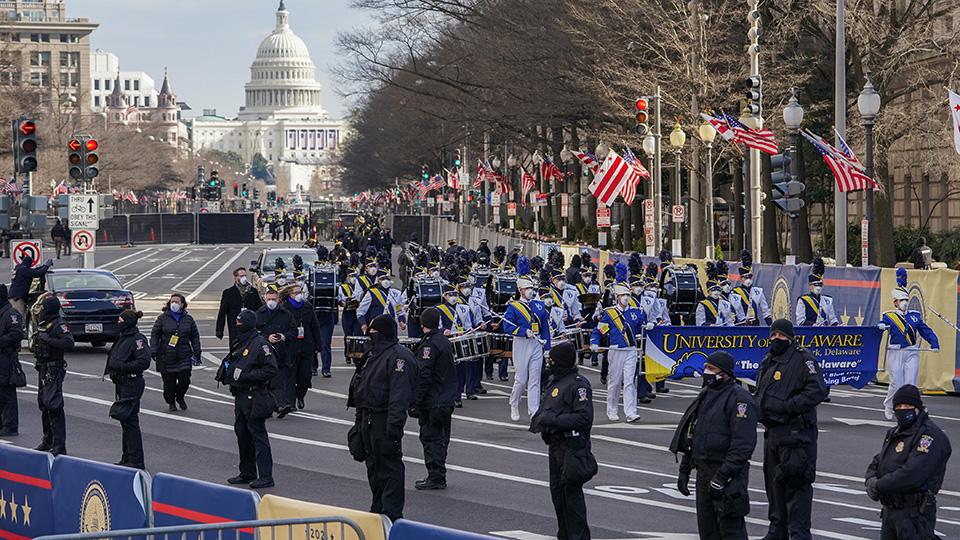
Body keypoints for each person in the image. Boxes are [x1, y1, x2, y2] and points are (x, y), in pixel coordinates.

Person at [754, 319, 828, 540]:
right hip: (773, 431)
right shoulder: (770, 359)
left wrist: (789, 406)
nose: (777, 339)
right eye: (773, 336)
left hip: (796, 433)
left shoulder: (804, 359)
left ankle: (798, 534)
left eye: (781, 336)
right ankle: (777, 530)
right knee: (773, 484)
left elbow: (817, 390)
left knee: (796, 484)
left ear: (790, 337)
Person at [671, 352, 757, 540]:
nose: (706, 372)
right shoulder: (706, 395)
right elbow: (693, 433)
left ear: (724, 373)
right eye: (706, 368)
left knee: (730, 531)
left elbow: (743, 445)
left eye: (711, 369)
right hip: (704, 472)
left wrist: (722, 476)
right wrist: (685, 469)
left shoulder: (739, 399)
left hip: (728, 477)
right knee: (708, 531)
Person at [352, 315, 418, 520]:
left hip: (383, 419)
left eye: (373, 332)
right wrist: (357, 422)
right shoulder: (372, 354)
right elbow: (360, 387)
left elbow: (399, 399)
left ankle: (391, 514)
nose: (370, 335)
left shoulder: (400, 358)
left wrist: (394, 430)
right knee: (373, 466)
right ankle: (378, 507)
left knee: (389, 468)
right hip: (367, 417)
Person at [865, 385, 952, 540]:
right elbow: (879, 461)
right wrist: (870, 480)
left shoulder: (929, 436)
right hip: (890, 510)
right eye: (898, 406)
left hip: (914, 514)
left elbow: (912, 474)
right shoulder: (894, 433)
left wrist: (878, 486)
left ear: (917, 407)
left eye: (907, 406)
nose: (903, 409)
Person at [529, 341, 594, 540]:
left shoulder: (578, 384)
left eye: (553, 361)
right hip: (555, 446)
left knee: (571, 496)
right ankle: (564, 535)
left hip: (573, 447)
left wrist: (554, 421)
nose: (550, 364)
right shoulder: (554, 382)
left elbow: (584, 418)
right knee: (558, 495)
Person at [220, 309, 278, 489]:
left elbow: (271, 369)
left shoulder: (260, 344)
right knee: (242, 434)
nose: (237, 326)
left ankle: (266, 476)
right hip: (241, 394)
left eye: (240, 323)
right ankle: (247, 472)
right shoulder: (242, 342)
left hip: (255, 395)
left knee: (258, 435)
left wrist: (246, 376)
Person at [878, 269, 939, 420]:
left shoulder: (915, 315)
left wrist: (934, 342)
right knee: (896, 383)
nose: (905, 302)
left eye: (906, 299)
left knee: (911, 384)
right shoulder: (889, 316)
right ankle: (889, 404)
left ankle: (913, 409)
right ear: (895, 302)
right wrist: (880, 325)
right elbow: (881, 323)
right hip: (896, 352)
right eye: (902, 300)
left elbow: (925, 330)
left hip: (912, 351)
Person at [411, 308, 457, 490]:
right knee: (442, 437)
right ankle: (438, 473)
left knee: (431, 438)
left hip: (434, 400)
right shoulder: (444, 341)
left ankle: (436, 476)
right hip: (446, 398)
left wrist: (415, 401)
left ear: (423, 324)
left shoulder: (429, 345)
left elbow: (424, 375)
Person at [590, 283, 649, 423]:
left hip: (631, 350)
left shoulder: (636, 312)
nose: (626, 298)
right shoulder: (610, 313)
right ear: (617, 297)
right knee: (615, 382)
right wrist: (595, 342)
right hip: (615, 350)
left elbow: (642, 326)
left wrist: (649, 326)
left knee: (629, 381)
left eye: (628, 295)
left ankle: (631, 412)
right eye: (623, 295)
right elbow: (600, 330)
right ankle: (611, 410)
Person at [104, 310, 151, 469]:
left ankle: (136, 460)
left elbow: (144, 361)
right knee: (125, 420)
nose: (118, 322)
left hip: (131, 382)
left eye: (121, 319)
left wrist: (123, 367)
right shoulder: (122, 337)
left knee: (130, 420)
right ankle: (127, 456)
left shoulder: (137, 339)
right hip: (121, 383)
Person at [502, 272, 551, 422]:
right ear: (520, 290)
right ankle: (514, 404)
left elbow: (545, 329)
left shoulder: (540, 305)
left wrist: (547, 347)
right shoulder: (513, 307)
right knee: (521, 379)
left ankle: (534, 410)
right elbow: (507, 327)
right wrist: (524, 332)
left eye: (532, 287)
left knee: (535, 378)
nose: (531, 290)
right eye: (527, 288)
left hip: (536, 344)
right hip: (521, 343)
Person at [32, 296, 74, 454]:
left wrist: (49, 339)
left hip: (53, 369)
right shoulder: (44, 322)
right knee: (44, 404)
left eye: (44, 307)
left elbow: (69, 343)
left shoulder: (59, 325)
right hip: (43, 367)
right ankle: (47, 440)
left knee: (54, 405)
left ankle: (59, 445)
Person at [150, 293, 201, 412]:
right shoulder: (162, 318)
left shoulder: (188, 319)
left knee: (185, 378)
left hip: (184, 354)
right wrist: (154, 349)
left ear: (182, 304)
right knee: (169, 383)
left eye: (177, 302)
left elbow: (194, 336)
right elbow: (155, 334)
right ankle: (171, 401)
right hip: (166, 355)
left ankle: (180, 396)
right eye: (172, 301)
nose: (174, 304)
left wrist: (197, 351)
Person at [257, 288, 298, 418]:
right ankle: (276, 405)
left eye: (273, 299)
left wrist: (283, 336)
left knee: (280, 380)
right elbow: (254, 332)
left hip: (281, 352)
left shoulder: (286, 314)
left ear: (278, 300)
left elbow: (294, 331)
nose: (271, 302)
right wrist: (266, 337)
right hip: (264, 353)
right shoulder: (259, 314)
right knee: (268, 381)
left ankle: (281, 404)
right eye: (269, 299)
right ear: (264, 299)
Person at [283, 284, 321, 409]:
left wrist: (318, 345)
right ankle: (290, 401)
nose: (299, 295)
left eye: (301, 292)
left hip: (306, 346)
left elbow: (314, 327)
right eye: (296, 292)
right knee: (290, 375)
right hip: (290, 347)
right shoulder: (284, 308)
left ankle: (300, 395)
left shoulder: (307, 307)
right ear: (290, 294)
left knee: (305, 376)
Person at [216, 267, 263, 348]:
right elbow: (222, 312)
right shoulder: (228, 293)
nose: (243, 278)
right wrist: (219, 329)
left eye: (245, 275)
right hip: (235, 328)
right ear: (235, 277)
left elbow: (259, 309)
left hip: (250, 328)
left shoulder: (253, 291)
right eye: (241, 276)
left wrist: (260, 325)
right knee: (235, 349)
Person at [0, 285, 24, 437]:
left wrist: (1, 341)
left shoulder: (11, 314)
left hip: (7, 358)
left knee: (7, 392)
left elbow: (16, 334)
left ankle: (10, 425)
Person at [729, 250, 772, 326]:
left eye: (750, 276)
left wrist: (771, 325)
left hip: (755, 325)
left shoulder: (758, 291)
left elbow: (765, 311)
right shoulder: (735, 292)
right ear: (741, 278)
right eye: (745, 277)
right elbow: (734, 312)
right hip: (740, 326)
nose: (748, 279)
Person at [795, 257, 838, 327]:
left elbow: (833, 319)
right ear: (810, 286)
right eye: (815, 285)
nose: (818, 287)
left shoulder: (828, 300)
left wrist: (838, 325)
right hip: (809, 332)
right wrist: (812, 325)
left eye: (820, 285)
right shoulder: (803, 300)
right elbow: (800, 321)